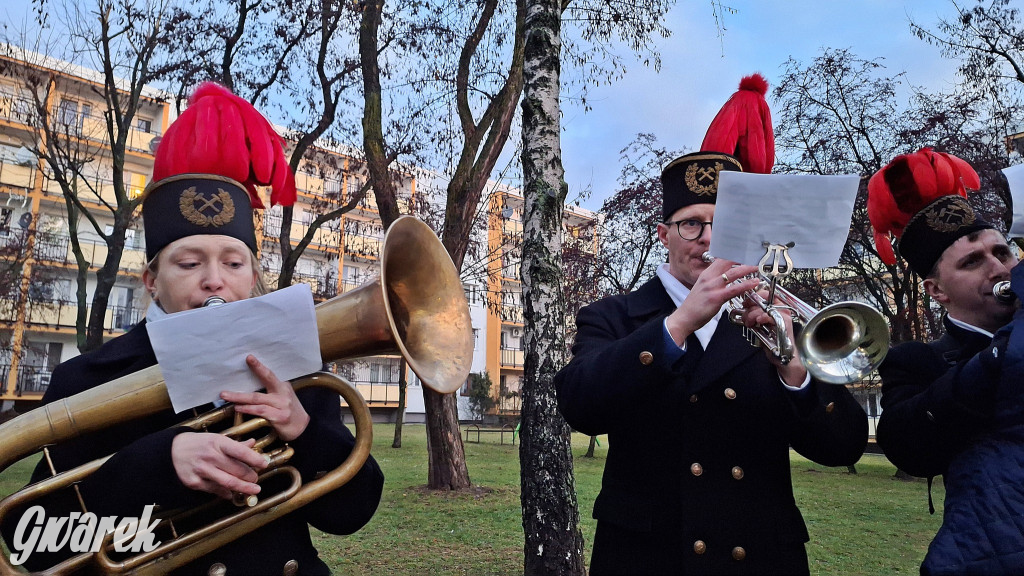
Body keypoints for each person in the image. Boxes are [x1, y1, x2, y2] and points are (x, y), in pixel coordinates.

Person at [0, 82, 384, 575]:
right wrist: (158, 462)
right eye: (188, 263)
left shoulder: (296, 368)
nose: (214, 280)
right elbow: (36, 541)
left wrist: (305, 432)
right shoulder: (84, 381)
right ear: (152, 281)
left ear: (253, 277)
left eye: (233, 262)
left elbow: (350, 514)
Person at [554, 74, 867, 575]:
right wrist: (678, 324)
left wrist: (794, 371)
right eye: (691, 224)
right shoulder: (611, 317)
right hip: (650, 557)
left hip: (759, 556)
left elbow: (842, 446)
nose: (706, 238)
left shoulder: (770, 318)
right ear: (664, 234)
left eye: (721, 224)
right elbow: (580, 405)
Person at [870, 148, 1023, 575]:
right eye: (973, 262)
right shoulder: (917, 361)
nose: (998, 268)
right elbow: (906, 445)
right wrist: (1004, 350)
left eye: (1003, 253)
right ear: (937, 291)